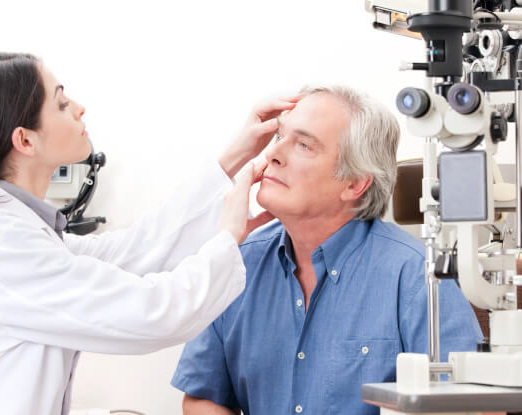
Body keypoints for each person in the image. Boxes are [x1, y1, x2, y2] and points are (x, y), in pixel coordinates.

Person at [0, 52, 297, 415]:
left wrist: (236, 156)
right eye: (62, 103)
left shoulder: (10, 231)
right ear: (25, 140)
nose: (79, 108)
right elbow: (154, 313)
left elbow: (133, 251)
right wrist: (227, 237)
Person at [171, 86, 484, 415]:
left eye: (304, 144)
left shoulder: (417, 276)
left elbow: (473, 408)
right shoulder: (238, 263)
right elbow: (202, 396)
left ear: (354, 183)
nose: (273, 155)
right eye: (280, 137)